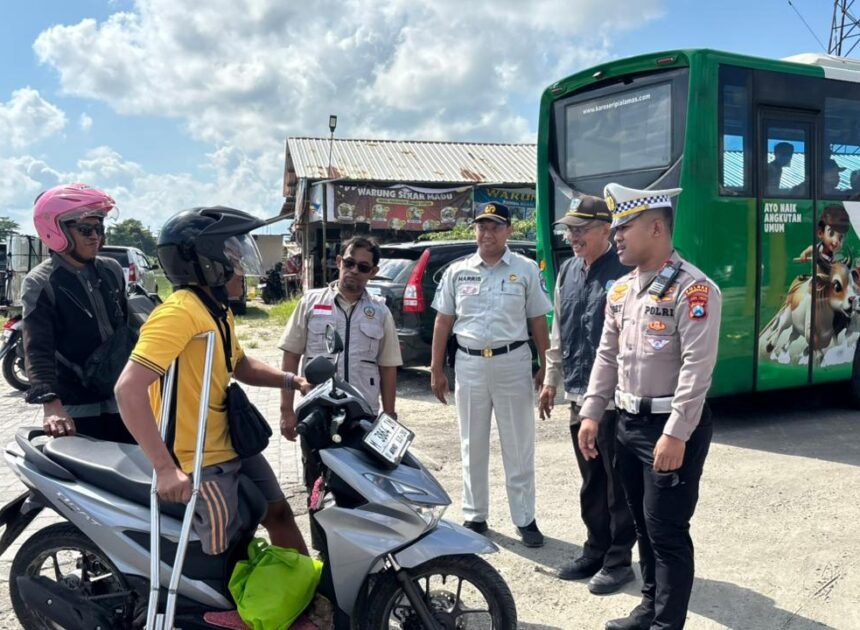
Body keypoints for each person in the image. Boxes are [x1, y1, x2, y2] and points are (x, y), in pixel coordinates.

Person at [115, 206, 310, 556]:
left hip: (231, 442)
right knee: (227, 546)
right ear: (206, 264)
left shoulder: (216, 311)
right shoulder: (179, 313)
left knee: (278, 512)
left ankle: (303, 598)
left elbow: (240, 364)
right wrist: (165, 468)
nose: (241, 268)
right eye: (233, 257)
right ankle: (221, 609)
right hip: (197, 457)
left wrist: (290, 380)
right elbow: (128, 389)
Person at [578, 183, 721, 630]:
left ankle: (666, 624)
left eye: (626, 226)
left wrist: (676, 432)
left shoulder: (694, 290)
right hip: (627, 423)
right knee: (640, 524)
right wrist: (591, 412)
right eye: (615, 227)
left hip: (670, 428)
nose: (616, 235)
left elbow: (697, 368)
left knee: (667, 532)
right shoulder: (621, 291)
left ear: (657, 227)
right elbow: (607, 355)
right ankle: (648, 606)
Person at [430, 202, 551, 547]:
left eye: (495, 226)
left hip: (512, 362)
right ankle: (475, 514)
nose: (487, 233)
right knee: (472, 441)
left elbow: (538, 320)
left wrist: (546, 364)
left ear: (509, 231)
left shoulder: (526, 269)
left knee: (519, 443)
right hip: (469, 364)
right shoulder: (459, 271)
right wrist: (437, 368)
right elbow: (443, 321)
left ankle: (525, 518)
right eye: (482, 226)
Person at [538, 195, 636, 594]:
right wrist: (551, 379)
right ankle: (595, 549)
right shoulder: (567, 272)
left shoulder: (626, 271)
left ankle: (618, 560)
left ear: (605, 230)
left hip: (614, 398)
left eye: (580, 229)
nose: (572, 236)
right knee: (590, 478)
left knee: (617, 483)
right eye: (569, 229)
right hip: (580, 393)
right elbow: (560, 330)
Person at [278, 236, 402, 547]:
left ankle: (362, 557)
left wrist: (389, 414)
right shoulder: (311, 303)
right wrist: (286, 409)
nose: (354, 271)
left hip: (361, 416)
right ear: (338, 263)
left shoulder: (380, 312)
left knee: (362, 488)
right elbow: (291, 356)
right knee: (317, 487)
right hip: (316, 414)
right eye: (349, 263)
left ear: (372, 272)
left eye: (363, 267)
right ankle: (324, 556)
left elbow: (388, 366)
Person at [22, 183, 135, 443]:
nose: (95, 236)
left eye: (99, 228)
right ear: (56, 230)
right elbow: (38, 347)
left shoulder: (111, 270)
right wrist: (51, 404)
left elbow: (126, 329)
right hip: (77, 406)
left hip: (122, 398)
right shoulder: (41, 281)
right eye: (85, 229)